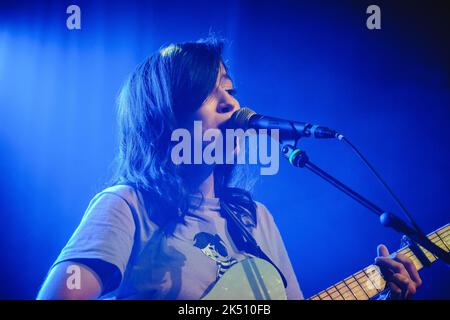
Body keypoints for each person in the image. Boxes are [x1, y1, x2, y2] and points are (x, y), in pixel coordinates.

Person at [37, 38, 422, 300]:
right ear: (163, 118)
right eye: (207, 92)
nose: (230, 105)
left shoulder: (256, 219)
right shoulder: (128, 205)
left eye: (230, 90)